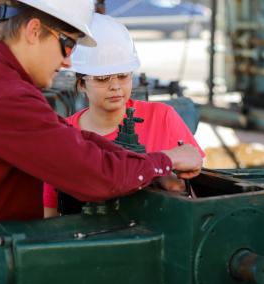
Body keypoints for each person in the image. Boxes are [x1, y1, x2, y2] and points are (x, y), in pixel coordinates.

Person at [0, 0, 202, 284]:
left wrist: (146, 165)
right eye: (68, 45)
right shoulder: (3, 97)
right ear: (35, 31)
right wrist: (166, 160)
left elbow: (69, 139)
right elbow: (94, 175)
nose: (68, 61)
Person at [43, 14, 205, 217]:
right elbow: (50, 212)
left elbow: (198, 191)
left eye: (123, 75)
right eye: (102, 79)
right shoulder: (64, 135)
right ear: (82, 83)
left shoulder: (162, 117)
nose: (115, 87)